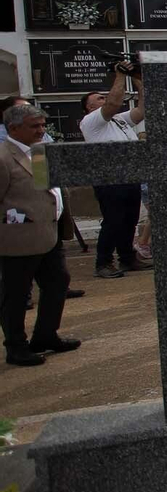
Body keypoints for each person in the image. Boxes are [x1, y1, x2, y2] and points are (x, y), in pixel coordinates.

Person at [1, 103, 79, 367]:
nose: (41, 130)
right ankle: (16, 346)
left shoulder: (40, 151)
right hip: (18, 239)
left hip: (48, 232)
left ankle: (45, 335)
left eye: (42, 125)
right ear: (13, 128)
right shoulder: (4, 157)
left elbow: (47, 188)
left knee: (58, 282)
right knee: (15, 294)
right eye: (34, 126)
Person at [79, 62, 150, 280]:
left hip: (129, 176)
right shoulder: (91, 121)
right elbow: (113, 102)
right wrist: (119, 75)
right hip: (109, 179)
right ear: (90, 108)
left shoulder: (119, 120)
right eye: (98, 99)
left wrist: (137, 78)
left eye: (103, 96)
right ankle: (104, 262)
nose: (104, 99)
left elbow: (143, 108)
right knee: (113, 221)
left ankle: (127, 258)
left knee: (130, 219)